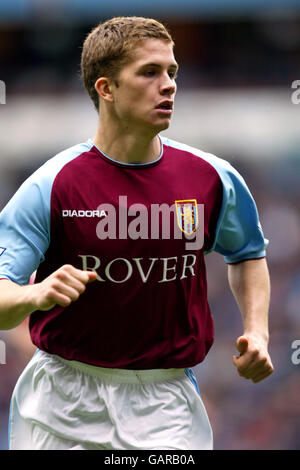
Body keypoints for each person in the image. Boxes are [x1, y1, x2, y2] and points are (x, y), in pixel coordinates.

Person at [0, 16, 273, 451]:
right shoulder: (50, 185)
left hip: (165, 405)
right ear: (106, 88)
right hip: (59, 402)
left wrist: (257, 332)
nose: (168, 85)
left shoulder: (212, 178)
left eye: (172, 72)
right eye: (150, 72)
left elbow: (247, 253)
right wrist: (36, 294)